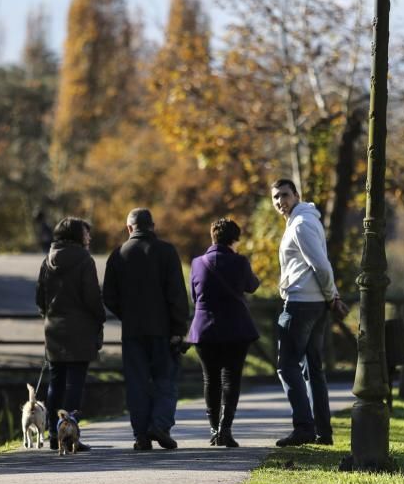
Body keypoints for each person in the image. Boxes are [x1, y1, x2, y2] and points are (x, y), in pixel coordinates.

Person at [270, 178, 350, 447]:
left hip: (302, 303)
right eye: (275, 198)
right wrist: (331, 297)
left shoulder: (302, 224)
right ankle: (322, 432)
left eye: (284, 195)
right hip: (315, 302)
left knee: (287, 365)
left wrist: (332, 296)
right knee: (312, 368)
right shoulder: (303, 221)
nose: (280, 201)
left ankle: (304, 427)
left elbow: (322, 266)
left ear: (296, 195)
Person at [103, 208, 190, 451]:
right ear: (153, 226)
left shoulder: (118, 254)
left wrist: (127, 314)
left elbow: (108, 296)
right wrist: (178, 326)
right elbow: (176, 294)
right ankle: (160, 425)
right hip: (162, 329)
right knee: (165, 379)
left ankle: (141, 435)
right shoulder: (166, 252)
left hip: (132, 331)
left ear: (129, 228)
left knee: (137, 383)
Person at [186, 219, 261, 448]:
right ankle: (225, 429)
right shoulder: (239, 262)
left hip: (205, 330)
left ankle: (213, 430)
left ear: (213, 237)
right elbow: (252, 286)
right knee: (231, 379)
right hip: (235, 329)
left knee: (210, 380)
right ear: (235, 239)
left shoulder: (197, 263)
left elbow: (194, 296)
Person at [36, 217, 106, 451]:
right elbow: (92, 297)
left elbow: (40, 296)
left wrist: (48, 316)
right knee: (75, 383)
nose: (89, 237)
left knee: (56, 381)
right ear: (77, 236)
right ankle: (70, 432)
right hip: (80, 329)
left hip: (54, 329)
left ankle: (54, 432)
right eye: (86, 233)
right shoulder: (85, 260)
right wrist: (100, 317)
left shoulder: (48, 260)